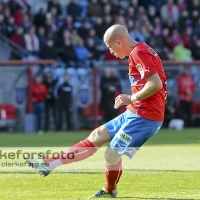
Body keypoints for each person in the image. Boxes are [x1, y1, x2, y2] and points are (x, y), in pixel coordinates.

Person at [24, 24, 167, 198]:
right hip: (136, 111)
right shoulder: (138, 51)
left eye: (110, 47)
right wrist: (132, 101)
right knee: (97, 135)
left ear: (118, 41)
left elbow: (156, 84)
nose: (110, 52)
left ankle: (110, 189)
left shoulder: (139, 52)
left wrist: (131, 98)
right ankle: (49, 164)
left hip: (146, 117)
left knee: (111, 154)